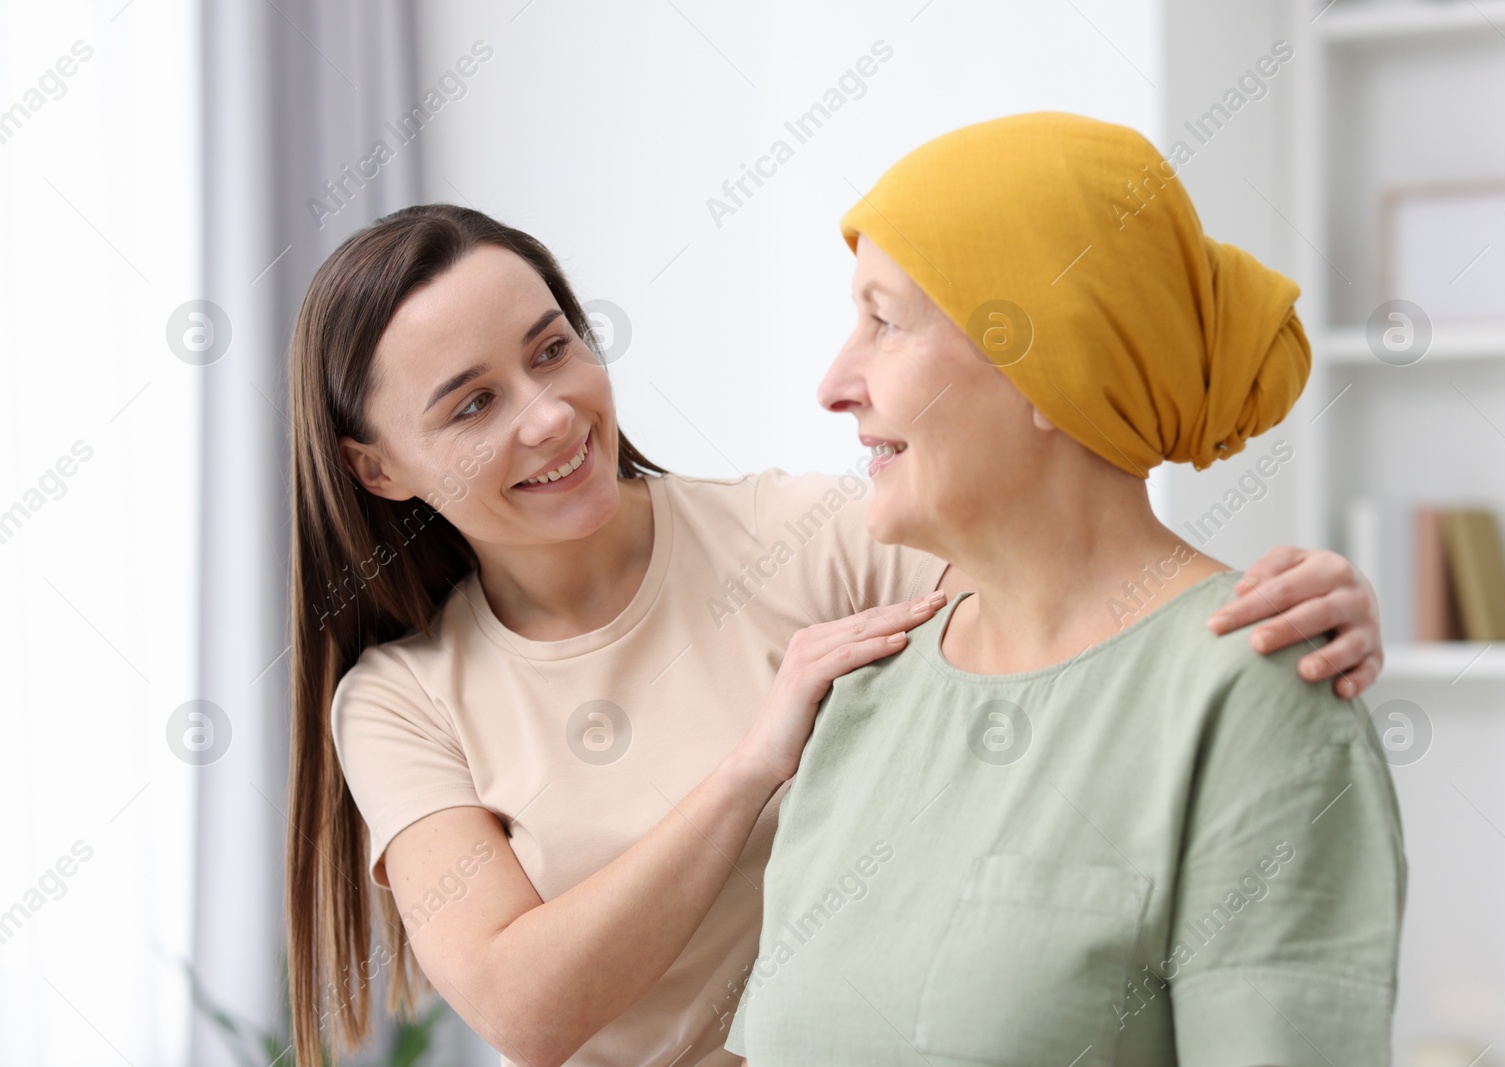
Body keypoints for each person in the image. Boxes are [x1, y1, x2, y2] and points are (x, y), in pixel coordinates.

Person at [285, 201, 1388, 1067]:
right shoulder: (403, 697)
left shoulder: (809, 540)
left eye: (552, 348)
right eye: (470, 404)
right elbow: (526, 1010)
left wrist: (1252, 605)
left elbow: (1083, 608)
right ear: (375, 468)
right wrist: (753, 766)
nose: (549, 413)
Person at [725, 112, 1406, 1066]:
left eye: (884, 319)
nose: (835, 382)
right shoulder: (864, 692)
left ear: (1049, 361)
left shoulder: (1248, 691)